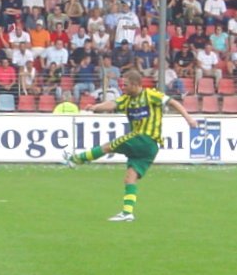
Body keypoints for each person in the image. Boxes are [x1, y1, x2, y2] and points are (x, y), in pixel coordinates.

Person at [63, 70, 198, 222]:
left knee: (109, 146)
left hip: (145, 138)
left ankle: (76, 159)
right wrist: (95, 107)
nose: (123, 87)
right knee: (130, 178)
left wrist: (189, 119)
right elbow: (112, 104)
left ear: (135, 84)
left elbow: (172, 102)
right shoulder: (127, 99)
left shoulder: (151, 95)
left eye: (126, 85)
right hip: (149, 149)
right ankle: (127, 213)